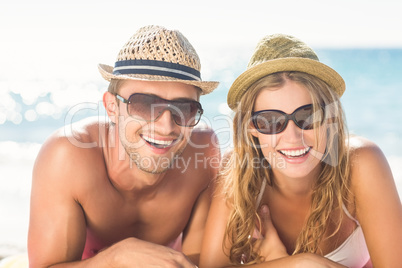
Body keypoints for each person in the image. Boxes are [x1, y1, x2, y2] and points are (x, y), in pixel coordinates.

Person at [200, 34, 402, 267]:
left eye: (308, 116)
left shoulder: (361, 164)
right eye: (271, 121)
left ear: (331, 119)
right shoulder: (238, 174)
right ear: (251, 128)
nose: (292, 136)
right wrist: (297, 263)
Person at [27, 25, 220, 267]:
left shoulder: (204, 152)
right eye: (145, 104)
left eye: (184, 108)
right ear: (111, 107)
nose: (166, 126)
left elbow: (196, 263)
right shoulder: (68, 156)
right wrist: (115, 258)